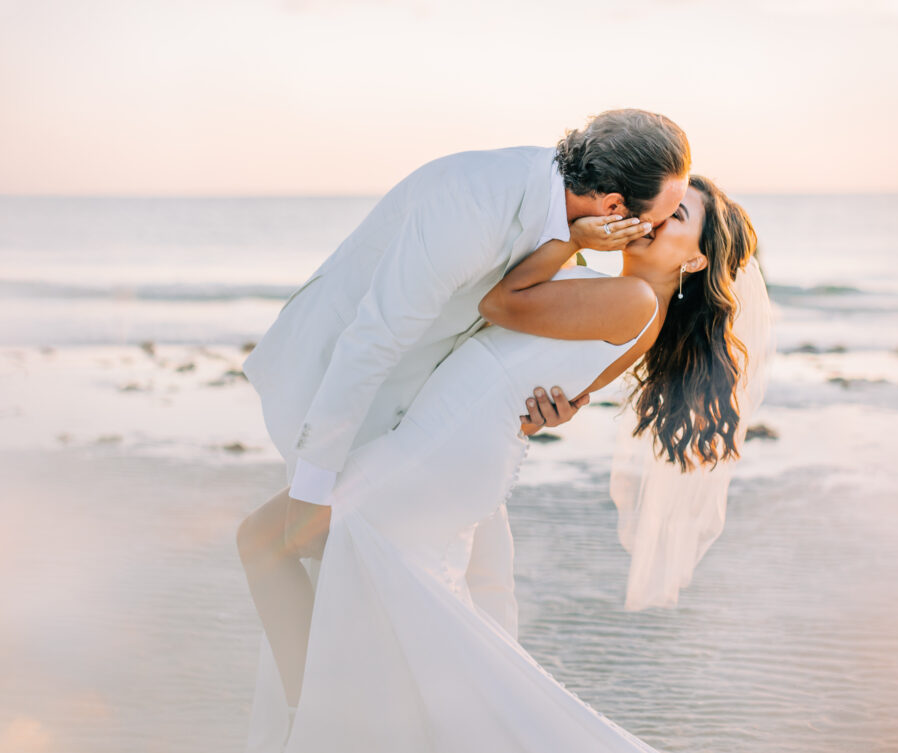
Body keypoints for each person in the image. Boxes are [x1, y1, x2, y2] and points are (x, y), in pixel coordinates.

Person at [249, 176, 769, 752]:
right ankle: (333, 721)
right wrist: (557, 408)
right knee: (379, 602)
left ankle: (313, 721)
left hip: (441, 451)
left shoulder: (635, 300)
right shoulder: (630, 305)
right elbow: (560, 391)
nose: (653, 220)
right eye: (663, 208)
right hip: (457, 450)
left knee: (270, 543)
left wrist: (571, 237)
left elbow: (498, 303)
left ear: (696, 260)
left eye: (677, 218)